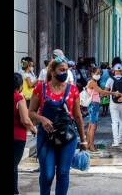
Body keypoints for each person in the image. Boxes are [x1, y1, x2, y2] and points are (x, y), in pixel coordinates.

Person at [28, 58, 87, 195]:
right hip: (46, 137)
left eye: (66, 70)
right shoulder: (40, 88)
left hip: (67, 137)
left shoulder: (73, 90)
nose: (65, 73)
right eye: (61, 70)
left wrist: (83, 140)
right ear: (52, 72)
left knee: (63, 173)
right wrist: (41, 119)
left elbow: (78, 117)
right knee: (47, 174)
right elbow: (30, 112)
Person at [86, 67, 120, 151]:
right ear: (92, 74)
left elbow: (99, 94)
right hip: (94, 105)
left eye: (100, 73)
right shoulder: (93, 83)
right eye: (97, 73)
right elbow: (102, 92)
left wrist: (102, 95)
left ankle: (89, 144)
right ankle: (91, 146)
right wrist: (113, 93)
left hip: (94, 105)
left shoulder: (93, 82)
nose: (98, 75)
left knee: (91, 125)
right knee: (93, 126)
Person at [14, 73, 37, 195]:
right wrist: (33, 129)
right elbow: (25, 119)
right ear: (19, 85)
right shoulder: (19, 98)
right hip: (17, 137)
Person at [105, 64, 122, 147]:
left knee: (114, 122)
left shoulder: (110, 79)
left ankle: (116, 141)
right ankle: (120, 139)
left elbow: (106, 91)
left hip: (113, 103)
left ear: (114, 71)